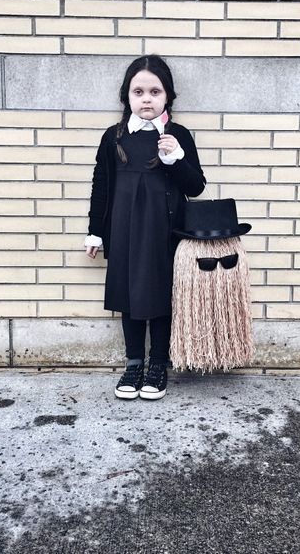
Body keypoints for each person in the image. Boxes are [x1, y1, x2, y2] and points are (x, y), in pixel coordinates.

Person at [85, 55, 205, 400]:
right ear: (128, 97)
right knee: (128, 295)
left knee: (161, 296)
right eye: (139, 91)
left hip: (164, 232)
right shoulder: (114, 137)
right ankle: (134, 363)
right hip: (122, 229)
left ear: (167, 97)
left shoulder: (177, 136)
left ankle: (157, 365)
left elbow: (195, 186)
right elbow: (101, 186)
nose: (147, 98)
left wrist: (175, 159)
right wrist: (96, 231)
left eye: (155, 91)